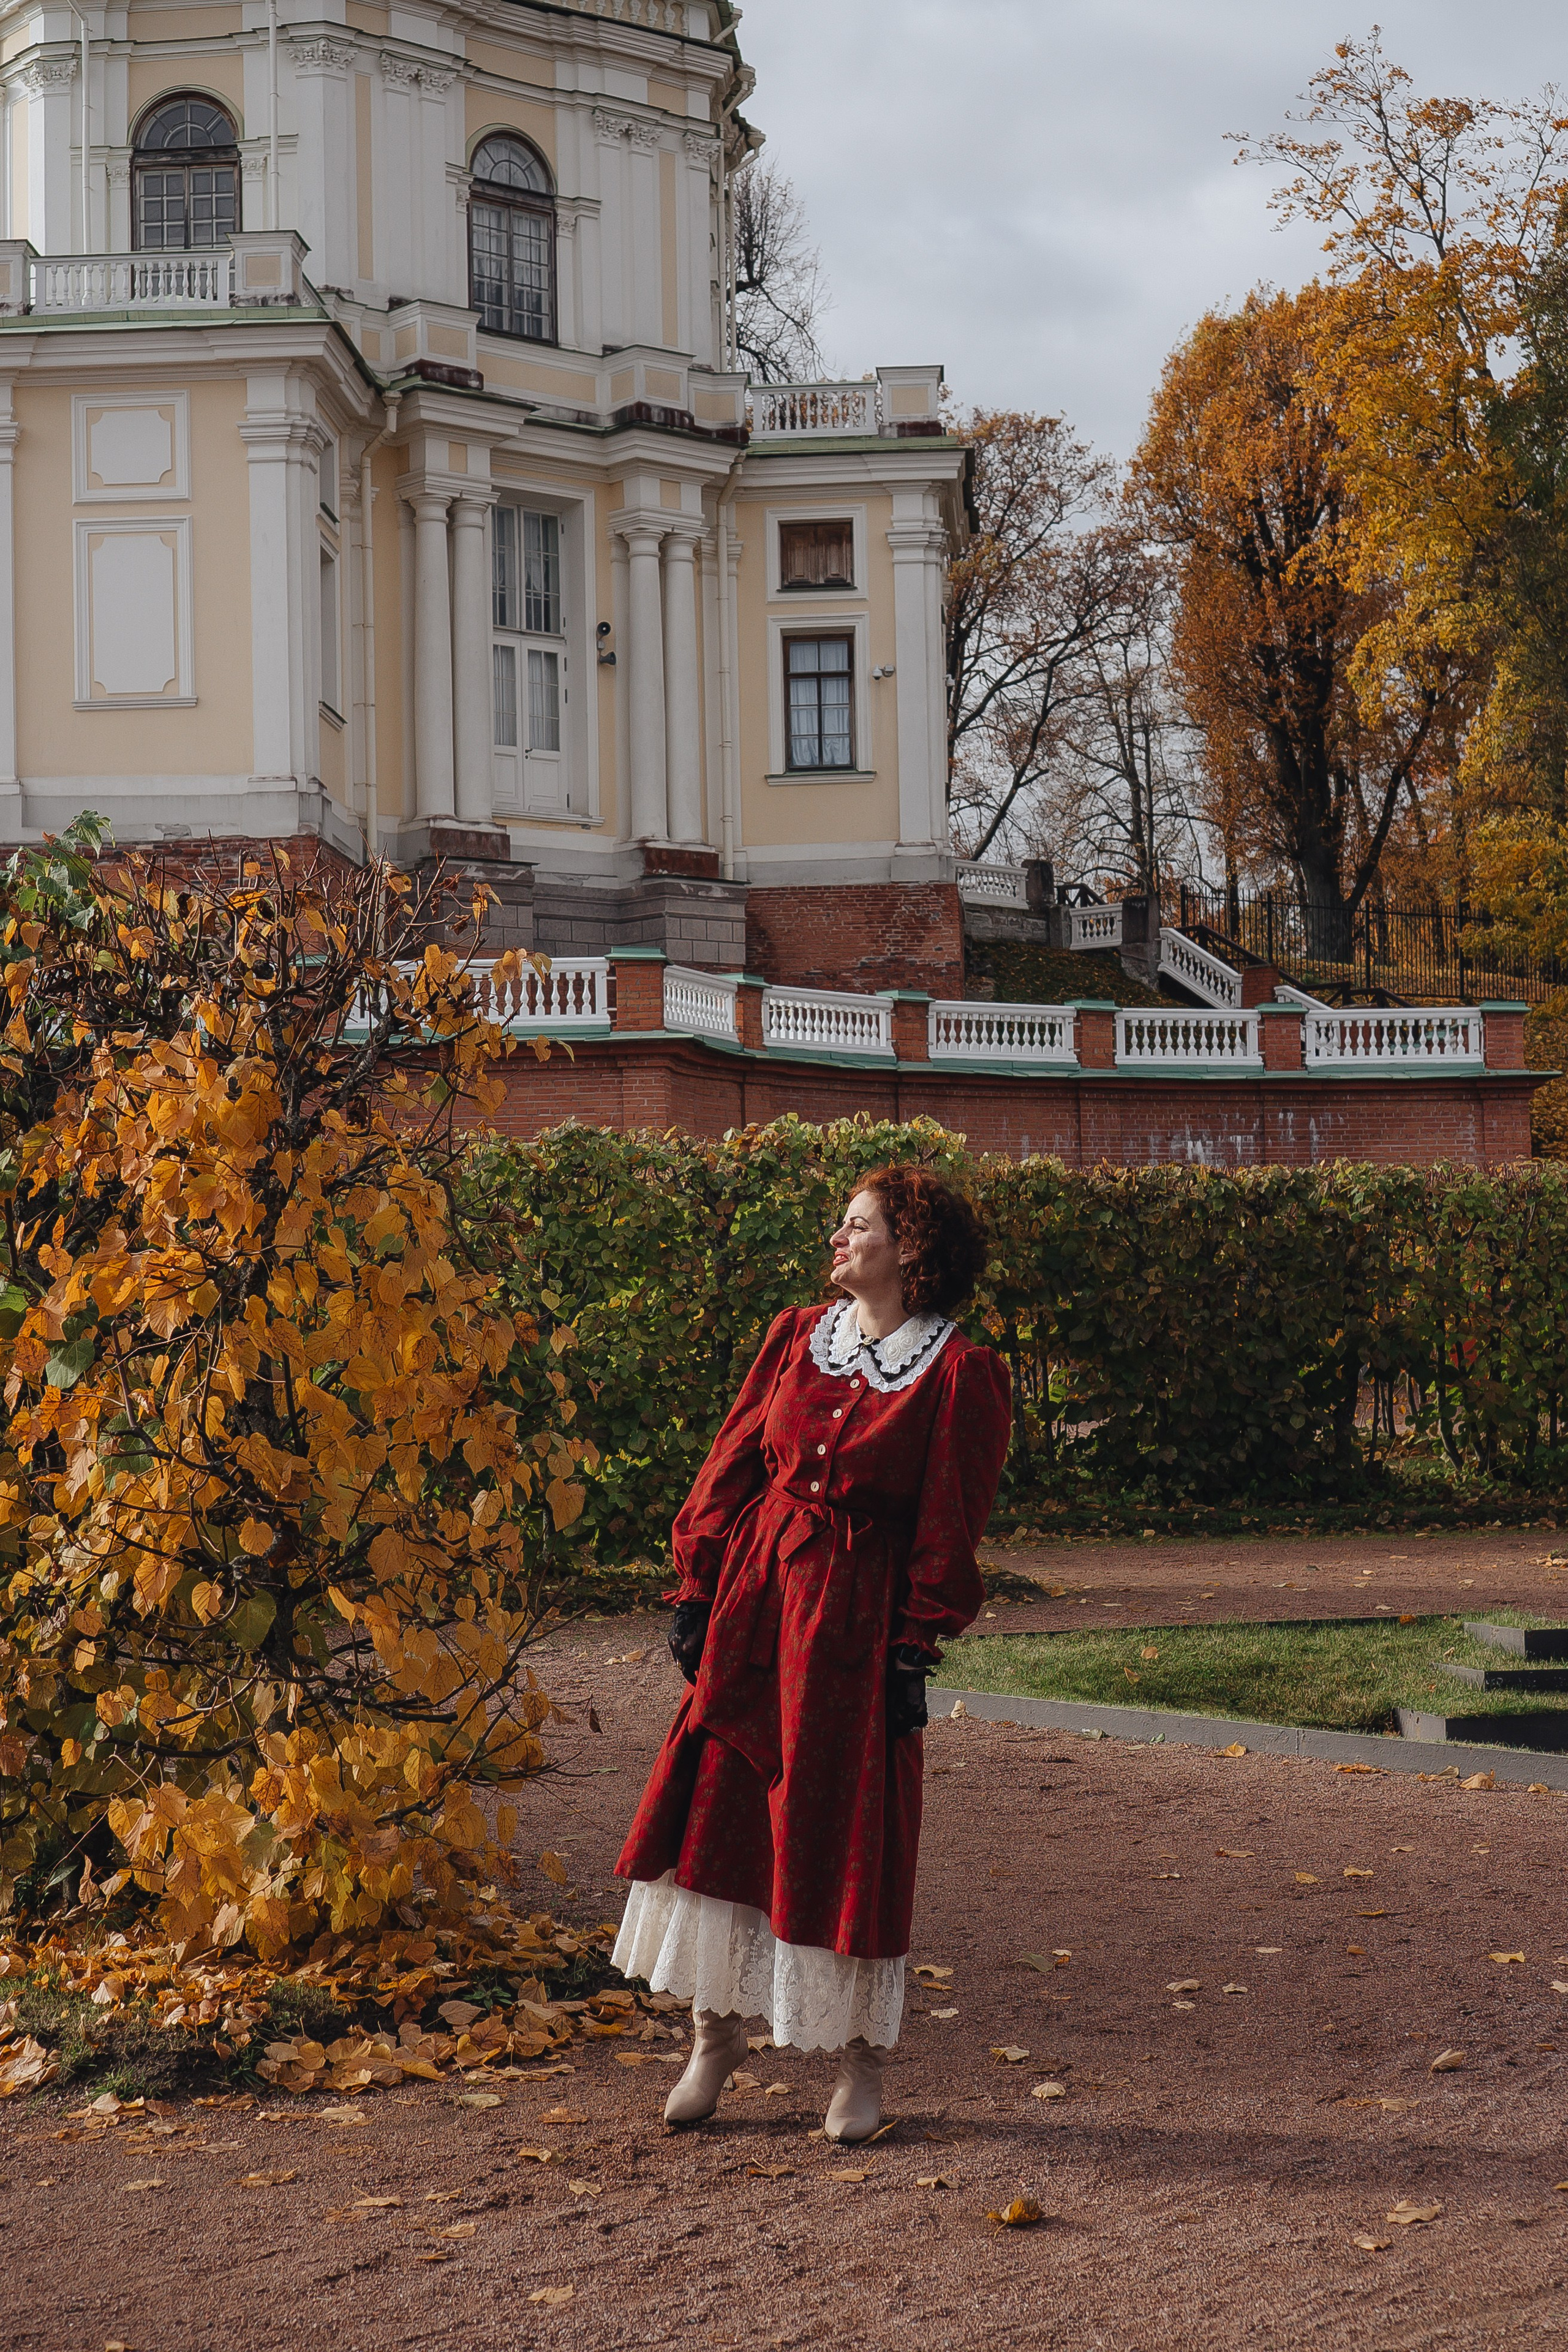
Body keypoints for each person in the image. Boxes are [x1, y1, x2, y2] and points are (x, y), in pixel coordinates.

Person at [611, 1164, 1012, 2141]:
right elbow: (734, 1459)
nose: (837, 1239)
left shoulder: (958, 1372)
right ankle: (714, 2033)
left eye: (857, 1225)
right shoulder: (799, 1337)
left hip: (858, 1624)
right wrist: (698, 1585)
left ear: (910, 1249)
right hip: (758, 1599)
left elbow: (949, 1522)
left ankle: (859, 2065)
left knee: (849, 1835)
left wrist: (913, 1646)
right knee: (721, 1807)